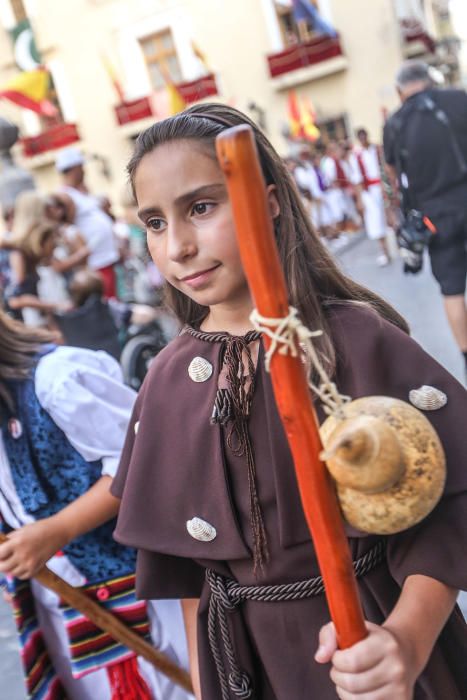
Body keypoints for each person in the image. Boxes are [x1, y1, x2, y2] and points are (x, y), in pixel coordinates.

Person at [111, 103, 467, 700]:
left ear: (268, 200)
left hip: (375, 644)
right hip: (251, 669)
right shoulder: (165, 380)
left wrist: (404, 641)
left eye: (200, 208)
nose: (178, 246)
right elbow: (193, 588)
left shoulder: (352, 339)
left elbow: (445, 511)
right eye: (154, 222)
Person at [0, 311, 192, 700]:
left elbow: (144, 459)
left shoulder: (57, 379)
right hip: (61, 608)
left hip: (141, 589)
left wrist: (57, 530)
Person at [383, 60, 467, 376]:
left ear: (399, 91)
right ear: (429, 79)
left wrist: (395, 210)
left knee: (453, 290)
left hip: (435, 218)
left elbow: (392, 175)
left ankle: (466, 355)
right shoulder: (459, 99)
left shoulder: (394, 124)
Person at [55, 148, 120, 298]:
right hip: (95, 260)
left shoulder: (81, 191)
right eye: (81, 167)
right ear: (74, 169)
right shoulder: (65, 196)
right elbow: (66, 228)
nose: (84, 171)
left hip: (106, 256)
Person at [350, 128, 391, 266]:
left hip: (383, 186)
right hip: (369, 192)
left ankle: (399, 246)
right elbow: (357, 180)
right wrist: (360, 200)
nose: (363, 139)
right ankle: (384, 251)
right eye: (360, 137)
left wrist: (388, 185)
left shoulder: (377, 149)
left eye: (364, 136)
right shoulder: (356, 155)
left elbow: (387, 167)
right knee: (376, 221)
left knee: (391, 216)